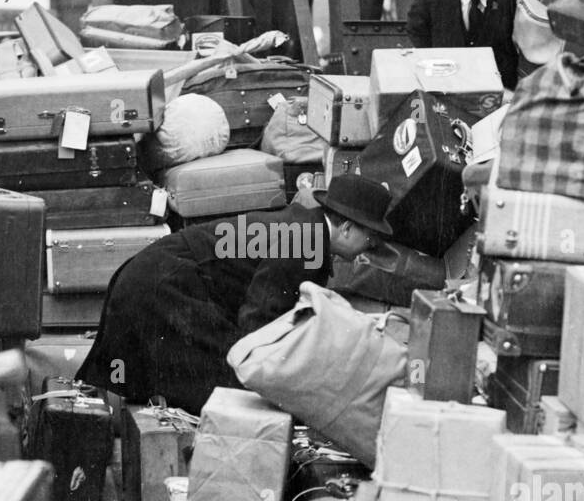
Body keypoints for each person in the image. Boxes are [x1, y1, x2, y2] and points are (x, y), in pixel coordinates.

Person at [76, 174, 394, 414]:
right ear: (348, 229)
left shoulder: (304, 230)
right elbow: (259, 316)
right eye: (370, 239)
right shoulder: (305, 239)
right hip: (162, 286)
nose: (370, 249)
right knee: (232, 387)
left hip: (160, 278)